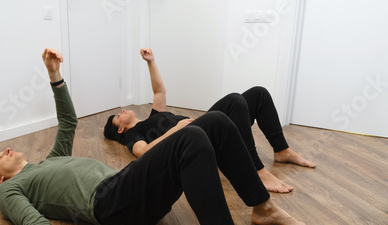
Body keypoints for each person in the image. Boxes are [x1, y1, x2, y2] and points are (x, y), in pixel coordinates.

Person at [0, 47, 321, 225]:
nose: (6, 150)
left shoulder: (51, 160)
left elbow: (68, 121)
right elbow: (31, 222)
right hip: (110, 204)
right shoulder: (11, 190)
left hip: (124, 184)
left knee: (217, 121)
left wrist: (54, 74)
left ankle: (263, 207)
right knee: (190, 138)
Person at [104, 48, 316, 193]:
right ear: (120, 130)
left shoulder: (153, 116)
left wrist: (151, 62)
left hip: (204, 125)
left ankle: (282, 151)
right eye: (118, 116)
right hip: (195, 139)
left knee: (258, 94)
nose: (123, 110)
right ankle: (256, 170)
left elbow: (159, 90)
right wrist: (175, 129)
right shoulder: (133, 134)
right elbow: (144, 152)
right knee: (234, 100)